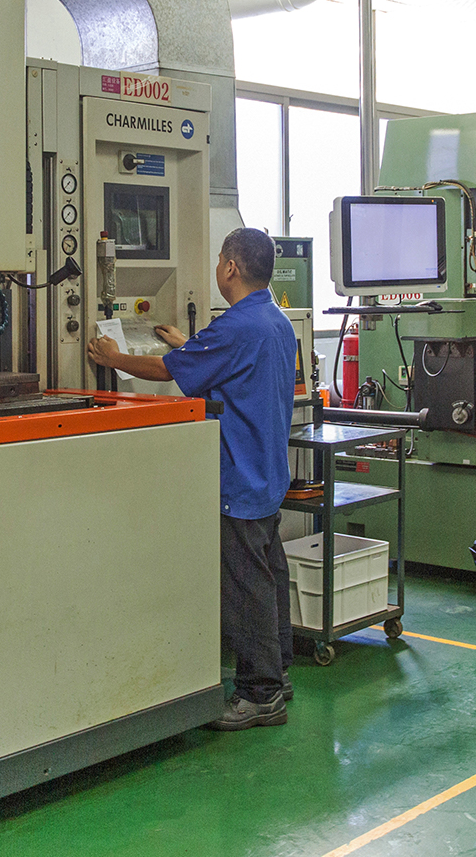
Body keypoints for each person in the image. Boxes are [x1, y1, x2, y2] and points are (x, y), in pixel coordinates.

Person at [87, 227, 298, 730]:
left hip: (239, 478)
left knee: (247, 588)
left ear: (231, 267)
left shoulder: (237, 327)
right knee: (270, 575)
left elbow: (168, 373)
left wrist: (115, 358)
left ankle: (261, 694)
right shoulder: (274, 320)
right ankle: (279, 673)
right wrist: (191, 345)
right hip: (268, 473)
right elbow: (227, 363)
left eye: (220, 259)